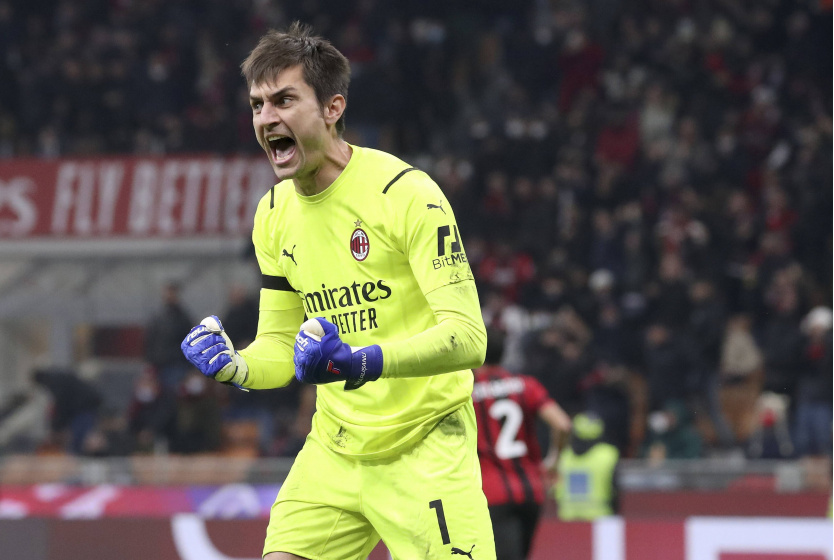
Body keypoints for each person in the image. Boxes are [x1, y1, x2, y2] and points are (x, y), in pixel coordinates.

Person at [181, 22, 495, 560]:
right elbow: (281, 345)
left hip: (425, 447)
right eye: (257, 105)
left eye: (284, 100)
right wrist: (237, 366)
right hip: (336, 449)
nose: (266, 118)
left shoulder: (406, 194)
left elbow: (468, 339)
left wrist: (360, 361)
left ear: (332, 108)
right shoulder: (273, 215)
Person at [472, 330, 571, 560]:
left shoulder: (466, 392)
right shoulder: (526, 385)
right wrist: (553, 461)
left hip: (492, 491)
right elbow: (563, 424)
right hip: (530, 490)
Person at [554, 413, 620, 521]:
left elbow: (554, 490)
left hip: (567, 520)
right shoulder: (608, 454)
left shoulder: (563, 455)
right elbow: (615, 490)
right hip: (600, 519)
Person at [144, 283, 195, 390]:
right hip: (159, 363)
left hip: (176, 363)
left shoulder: (182, 318)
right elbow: (150, 340)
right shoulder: (158, 317)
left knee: (172, 390)